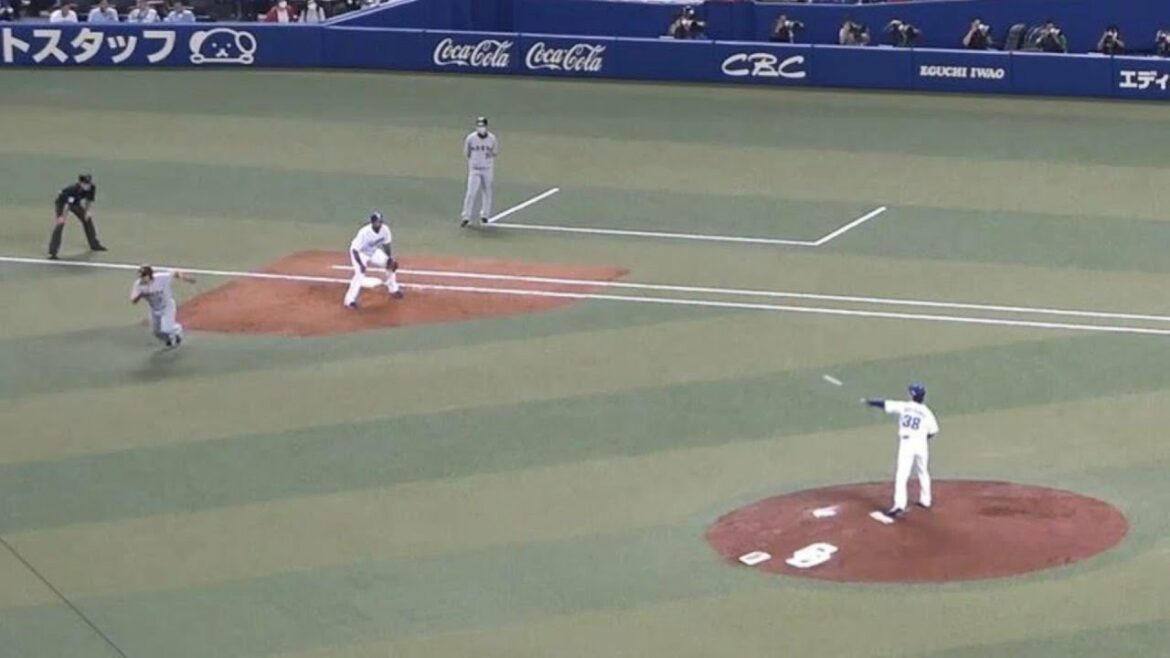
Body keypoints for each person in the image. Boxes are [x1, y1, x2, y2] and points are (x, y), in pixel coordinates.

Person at [862, 383, 940, 518]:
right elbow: (933, 431)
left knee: (902, 474)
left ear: (912, 395)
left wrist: (870, 402)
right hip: (921, 444)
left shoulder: (905, 406)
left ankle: (899, 505)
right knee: (923, 471)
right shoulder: (927, 412)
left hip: (907, 444)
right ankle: (926, 500)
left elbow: (885, 404)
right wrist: (922, 438)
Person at [344, 211, 402, 309]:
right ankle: (349, 300)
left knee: (390, 265)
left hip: (373, 251)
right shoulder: (364, 232)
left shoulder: (385, 229)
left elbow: (386, 245)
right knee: (359, 274)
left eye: (380, 221)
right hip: (360, 253)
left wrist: (390, 258)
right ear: (373, 222)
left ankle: (393, 289)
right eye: (377, 222)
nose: (380, 223)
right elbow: (354, 250)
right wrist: (361, 265)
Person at [131, 265, 194, 348]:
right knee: (156, 332)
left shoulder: (161, 278)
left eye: (143, 276)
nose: (141, 278)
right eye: (140, 276)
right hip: (154, 310)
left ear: (150, 275)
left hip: (167, 307)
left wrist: (186, 278)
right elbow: (133, 301)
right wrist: (140, 295)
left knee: (166, 329)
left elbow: (175, 273)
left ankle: (177, 330)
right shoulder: (138, 285)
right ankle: (171, 338)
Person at [48, 173, 106, 260]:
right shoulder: (73, 190)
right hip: (62, 204)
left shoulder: (92, 188)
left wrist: (87, 211)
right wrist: (62, 217)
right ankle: (53, 252)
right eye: (85, 184)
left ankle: (94, 245)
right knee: (60, 224)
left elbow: (89, 200)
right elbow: (67, 205)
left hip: (75, 203)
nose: (87, 186)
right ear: (80, 183)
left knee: (87, 219)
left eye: (89, 183)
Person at [460, 116, 499, 227]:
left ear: (486, 126)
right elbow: (467, 153)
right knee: (471, 192)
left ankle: (485, 215)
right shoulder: (471, 138)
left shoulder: (492, 138)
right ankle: (466, 216)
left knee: (487, 191)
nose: (480, 128)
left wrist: (487, 157)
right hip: (475, 169)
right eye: (478, 126)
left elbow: (495, 152)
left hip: (487, 169)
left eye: (482, 126)